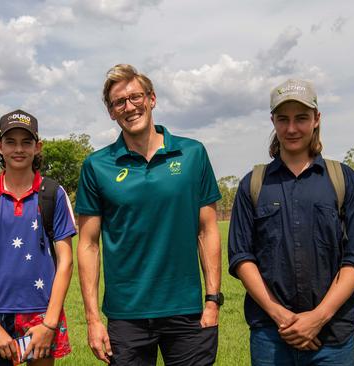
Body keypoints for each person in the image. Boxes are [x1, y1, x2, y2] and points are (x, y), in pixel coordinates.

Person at [75, 64, 223, 366]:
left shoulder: (192, 154)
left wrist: (213, 300)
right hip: (127, 316)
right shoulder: (96, 166)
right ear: (111, 112)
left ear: (151, 98)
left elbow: (207, 230)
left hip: (187, 311)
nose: (129, 107)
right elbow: (88, 244)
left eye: (135, 97)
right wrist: (93, 320)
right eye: (119, 102)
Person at [228, 79, 354, 365]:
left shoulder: (343, 180)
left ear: (317, 119)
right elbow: (241, 257)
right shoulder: (253, 184)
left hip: (333, 338)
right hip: (271, 336)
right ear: (273, 121)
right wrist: (281, 317)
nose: (292, 128)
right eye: (283, 119)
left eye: (301, 118)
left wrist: (318, 318)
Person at [0, 109, 76, 366]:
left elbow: (66, 262)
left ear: (38, 147)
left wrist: (50, 322)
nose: (18, 149)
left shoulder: (53, 194)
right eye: (10, 142)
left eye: (26, 142)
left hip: (41, 312)